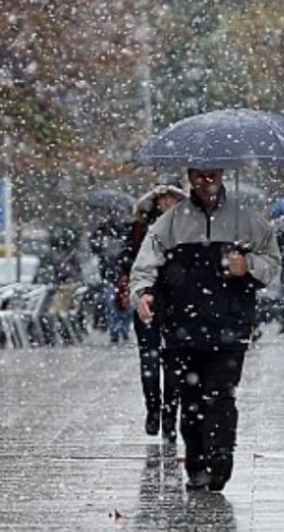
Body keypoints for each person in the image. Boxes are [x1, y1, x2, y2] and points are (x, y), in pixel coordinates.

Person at [130, 168, 280, 492]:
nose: (204, 181)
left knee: (221, 396)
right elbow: (145, 264)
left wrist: (248, 266)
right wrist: (143, 293)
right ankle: (197, 463)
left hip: (230, 325)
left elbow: (271, 261)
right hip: (182, 327)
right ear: (188, 176)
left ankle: (221, 457)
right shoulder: (170, 222)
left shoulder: (246, 221)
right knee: (191, 398)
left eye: (210, 174)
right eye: (197, 175)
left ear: (223, 173)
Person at [119, 183, 187, 442]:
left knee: (173, 361)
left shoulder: (187, 228)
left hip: (177, 303)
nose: (167, 203)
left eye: (172, 198)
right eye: (162, 198)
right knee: (148, 358)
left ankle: (170, 412)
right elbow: (128, 261)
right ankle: (153, 408)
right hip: (146, 297)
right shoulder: (139, 230)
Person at [90, 211, 132, 344]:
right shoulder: (103, 229)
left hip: (124, 273)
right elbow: (93, 246)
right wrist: (100, 244)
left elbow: (131, 248)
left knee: (125, 304)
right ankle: (115, 331)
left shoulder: (126, 229)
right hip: (109, 273)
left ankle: (123, 330)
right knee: (111, 304)